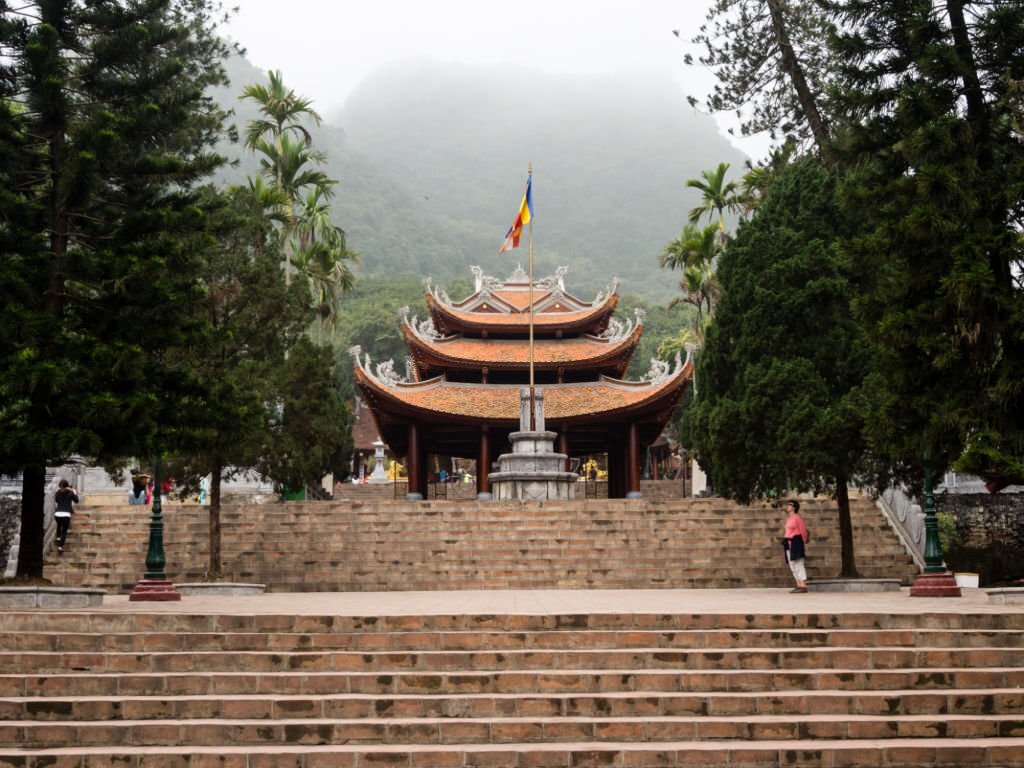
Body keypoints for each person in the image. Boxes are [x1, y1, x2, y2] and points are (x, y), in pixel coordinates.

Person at [781, 499, 810, 592]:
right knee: (792, 564)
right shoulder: (788, 519)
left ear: (794, 507)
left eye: (790, 504)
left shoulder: (798, 518)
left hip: (796, 542)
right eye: (787, 504)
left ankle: (803, 585)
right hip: (788, 542)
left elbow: (803, 530)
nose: (788, 506)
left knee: (798, 563)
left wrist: (804, 541)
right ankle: (798, 584)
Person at [53, 479, 79, 555]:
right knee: (64, 531)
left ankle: (58, 538)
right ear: (67, 485)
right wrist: (74, 492)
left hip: (57, 514)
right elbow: (77, 501)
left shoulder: (57, 492)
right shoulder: (70, 492)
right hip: (66, 514)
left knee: (59, 525)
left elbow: (57, 501)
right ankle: (60, 547)